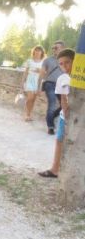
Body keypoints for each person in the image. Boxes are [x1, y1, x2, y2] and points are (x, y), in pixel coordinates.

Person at [38, 49, 75, 178]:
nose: (64, 66)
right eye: (61, 64)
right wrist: (66, 117)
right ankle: (55, 169)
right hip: (66, 117)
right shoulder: (62, 78)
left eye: (67, 63)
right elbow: (63, 100)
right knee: (59, 141)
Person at [39, 41, 65, 135]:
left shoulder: (66, 61)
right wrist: (39, 88)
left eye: (56, 48)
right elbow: (41, 74)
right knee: (52, 104)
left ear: (63, 49)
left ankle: (52, 116)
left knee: (64, 106)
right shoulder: (47, 60)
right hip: (50, 84)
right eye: (53, 48)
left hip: (62, 85)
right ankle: (50, 127)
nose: (54, 49)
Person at [21, 46, 45, 122]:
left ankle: (29, 114)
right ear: (33, 52)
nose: (37, 52)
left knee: (33, 100)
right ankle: (27, 114)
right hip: (30, 80)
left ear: (42, 52)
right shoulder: (29, 61)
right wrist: (22, 82)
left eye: (39, 51)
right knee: (29, 98)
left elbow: (45, 73)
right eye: (36, 50)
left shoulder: (43, 62)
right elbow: (25, 72)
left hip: (38, 81)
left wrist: (40, 71)